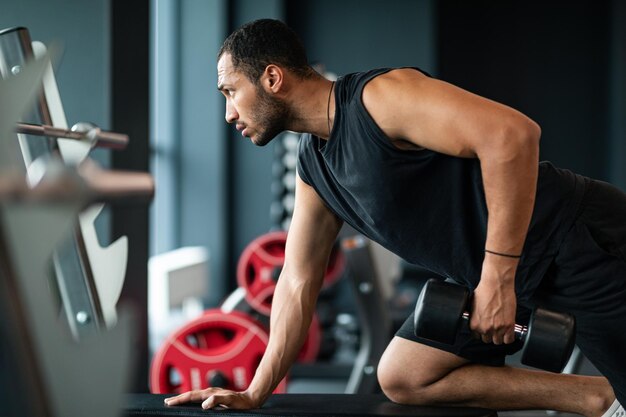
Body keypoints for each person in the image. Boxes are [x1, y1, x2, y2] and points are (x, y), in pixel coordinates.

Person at [164, 18, 626, 415]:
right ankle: (595, 398)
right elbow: (297, 281)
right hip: (503, 273)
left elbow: (513, 136)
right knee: (406, 376)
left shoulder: (378, 100)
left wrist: (496, 281)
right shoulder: (315, 166)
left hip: (577, 237)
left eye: (230, 91)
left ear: (271, 78)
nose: (228, 113)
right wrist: (255, 391)